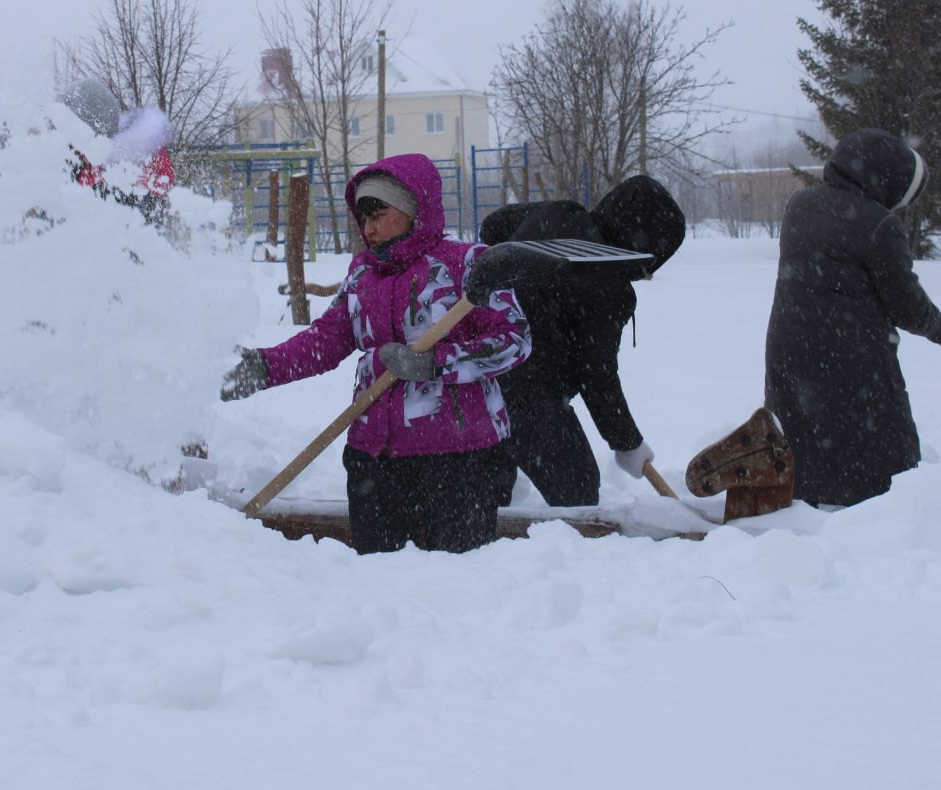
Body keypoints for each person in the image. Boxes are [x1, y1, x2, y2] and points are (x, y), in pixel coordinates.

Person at [219, 154, 531, 554]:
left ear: (413, 209)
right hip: (374, 460)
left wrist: (436, 363)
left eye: (378, 213)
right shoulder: (362, 274)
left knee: (457, 591)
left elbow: (515, 338)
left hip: (458, 460)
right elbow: (326, 339)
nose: (368, 227)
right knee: (376, 589)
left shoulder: (466, 265)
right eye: (362, 217)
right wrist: (264, 368)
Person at [764, 128, 941, 508]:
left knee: (803, 424)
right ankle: (879, 507)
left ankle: (808, 494)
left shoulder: (800, 204)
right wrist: (937, 326)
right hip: (849, 351)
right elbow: (904, 301)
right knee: (875, 433)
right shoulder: (878, 225)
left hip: (790, 343)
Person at [477, 175, 686, 506]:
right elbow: (596, 374)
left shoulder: (557, 211)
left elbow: (492, 227)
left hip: (477, 379)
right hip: (529, 396)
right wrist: (627, 443)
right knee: (578, 491)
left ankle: (489, 537)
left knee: (488, 493)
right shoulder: (609, 284)